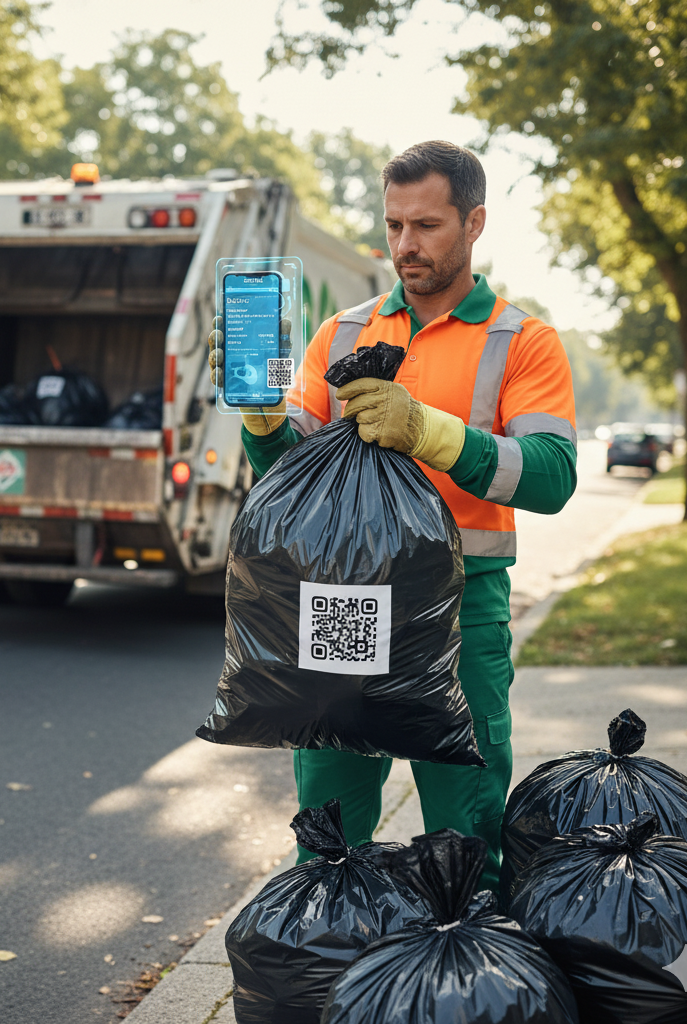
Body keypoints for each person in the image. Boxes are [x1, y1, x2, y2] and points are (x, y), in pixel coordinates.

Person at [209, 140, 577, 892]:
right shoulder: (341, 335)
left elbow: (552, 476)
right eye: (394, 225)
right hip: (341, 604)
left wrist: (431, 433)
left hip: (460, 609)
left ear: (474, 223)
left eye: (428, 226)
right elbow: (291, 491)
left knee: (465, 832)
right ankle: (328, 976)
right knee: (330, 829)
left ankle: (466, 982)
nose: (405, 245)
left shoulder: (521, 341)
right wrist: (260, 422)